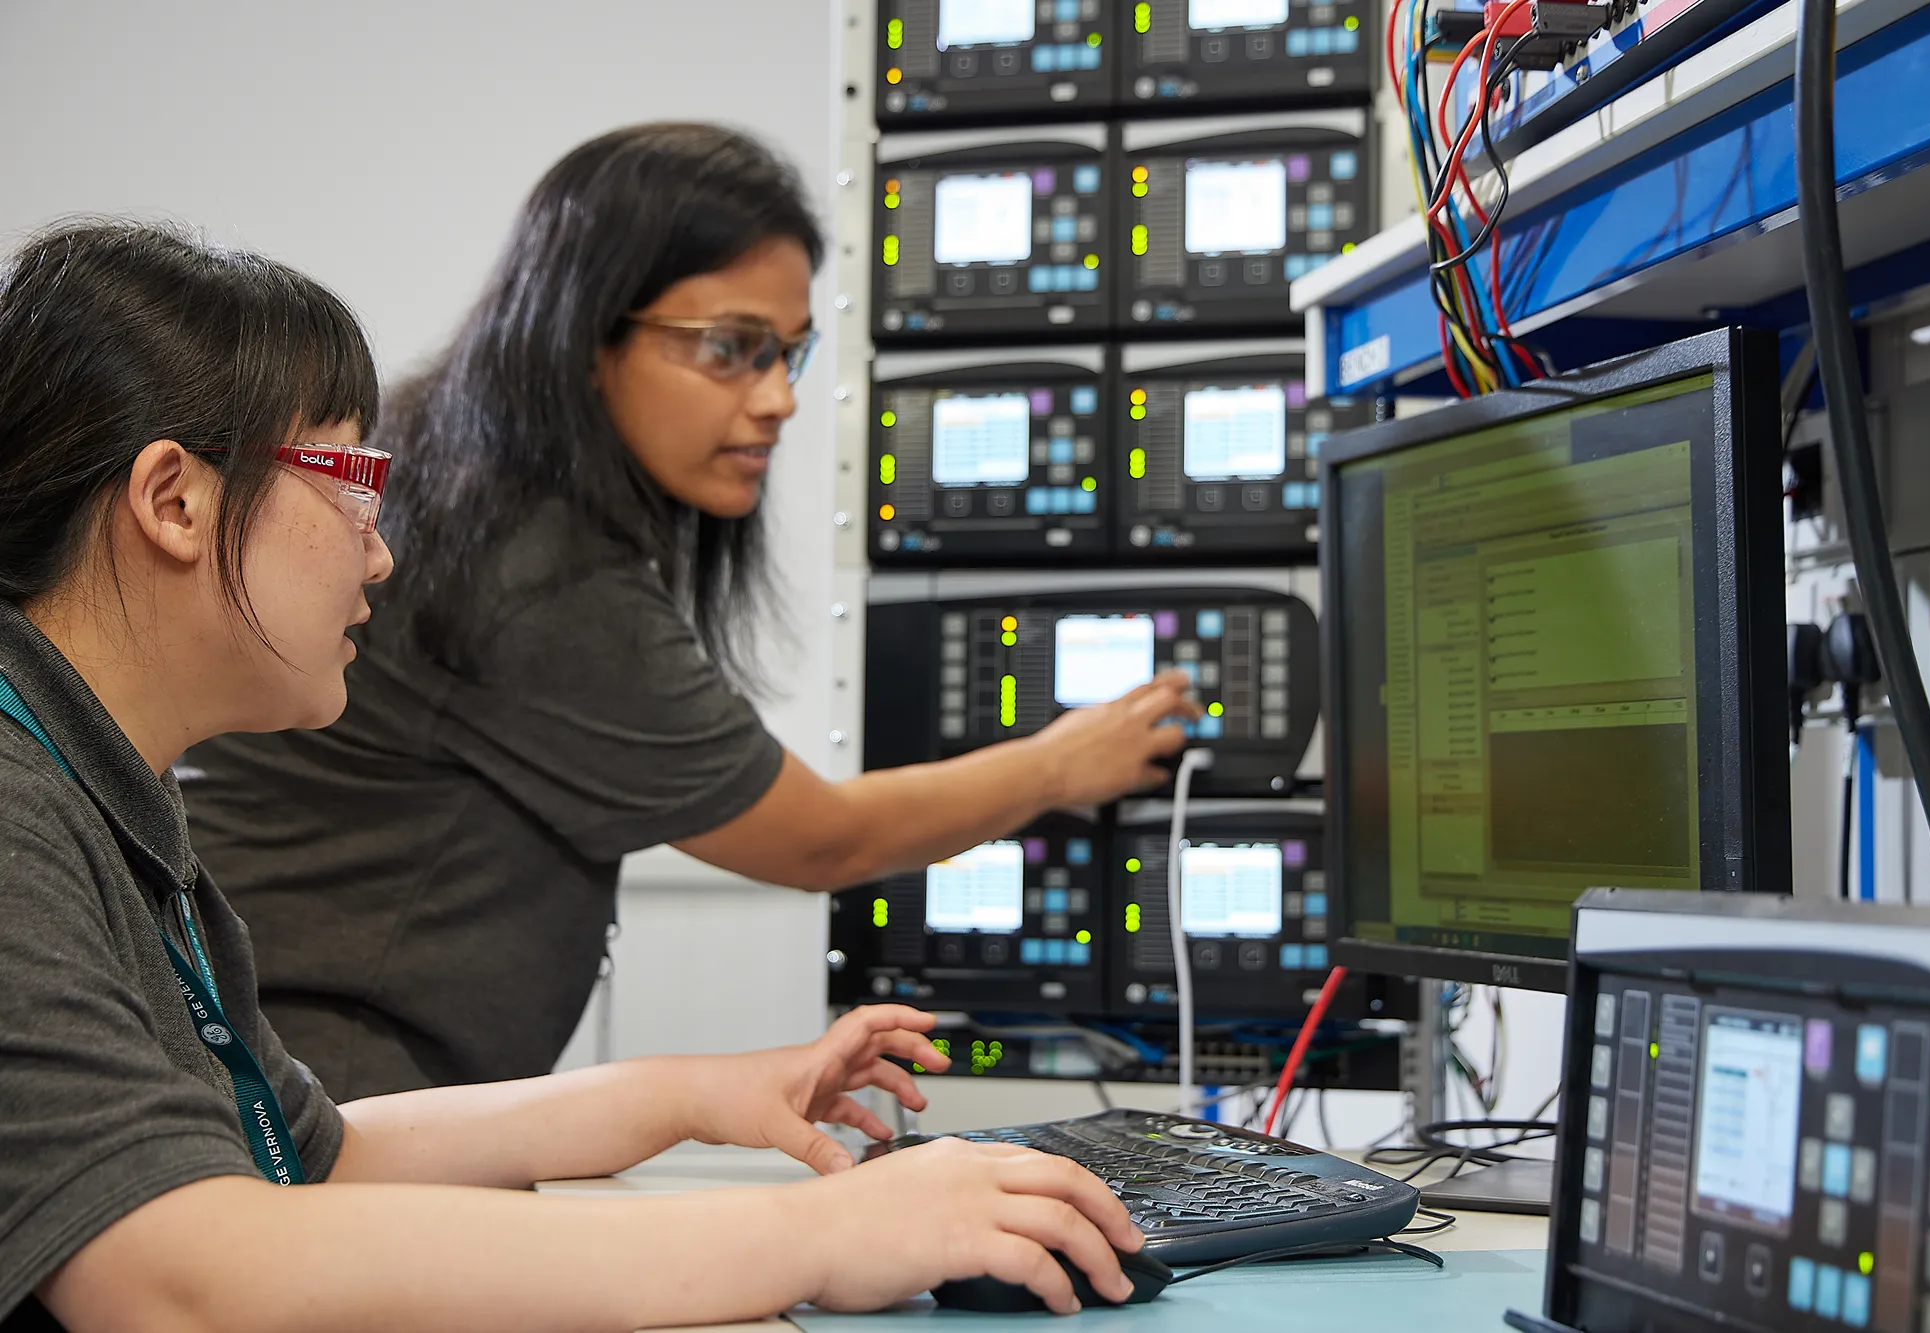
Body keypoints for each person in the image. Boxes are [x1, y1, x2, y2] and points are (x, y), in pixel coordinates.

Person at [0, 219, 1145, 1330]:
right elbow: (170, 1280)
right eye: (348, 480)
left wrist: (691, 1096)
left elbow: (326, 1150)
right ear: (174, 500)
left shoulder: (113, 814)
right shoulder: (17, 810)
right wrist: (821, 1237)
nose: (380, 547)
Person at [179, 121, 1195, 1101]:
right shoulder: (535, 570)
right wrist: (1063, 763)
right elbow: (819, 843)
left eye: (785, 353)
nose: (777, 400)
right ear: (585, 336)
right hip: (329, 1093)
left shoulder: (468, 479)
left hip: (328, 1079)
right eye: (729, 349)